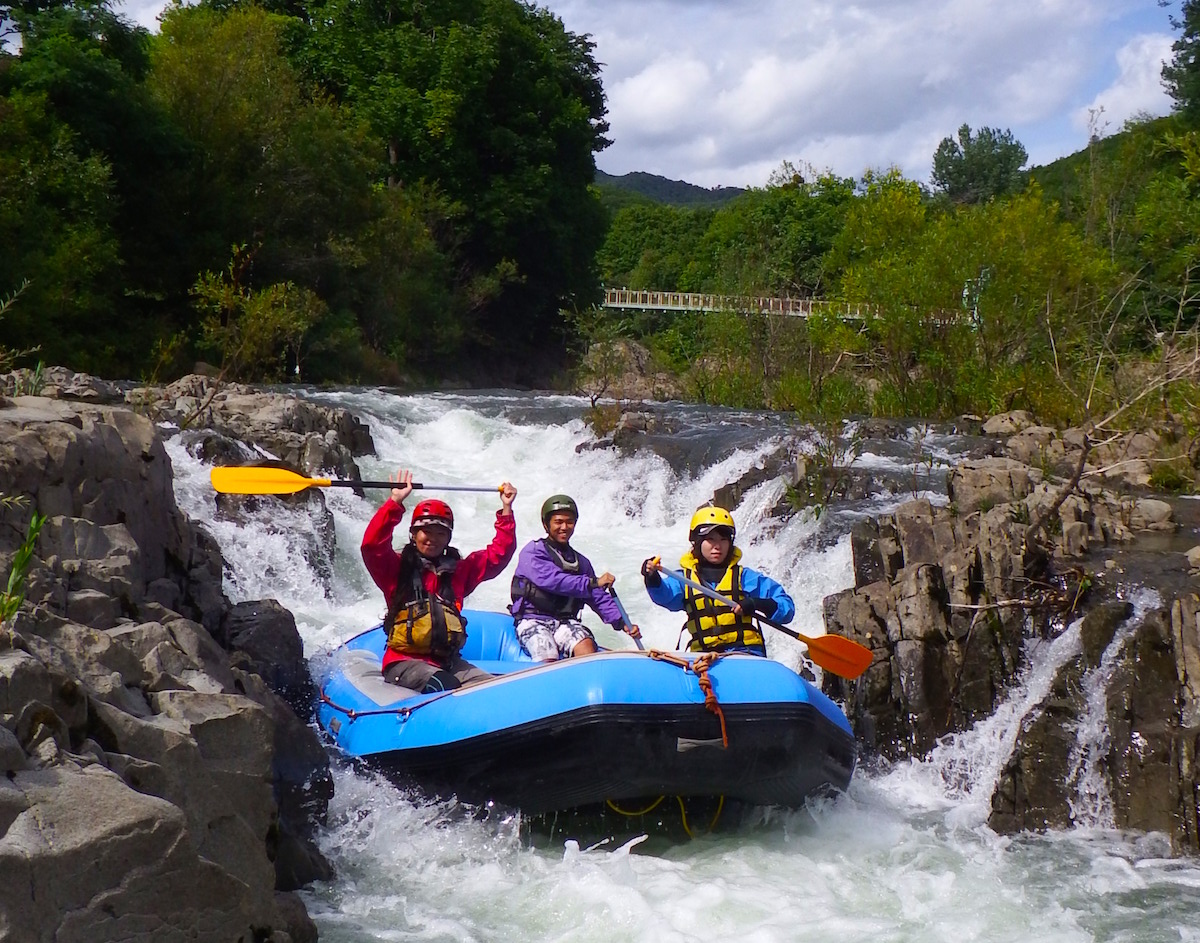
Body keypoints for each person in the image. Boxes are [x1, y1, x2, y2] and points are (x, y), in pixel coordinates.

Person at [361, 469, 517, 692]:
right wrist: (395, 502)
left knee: (492, 691)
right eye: (426, 532)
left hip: (448, 661)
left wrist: (506, 510)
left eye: (440, 534)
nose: (433, 539)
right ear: (414, 535)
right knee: (444, 685)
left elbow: (499, 555)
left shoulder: (459, 571)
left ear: (448, 539)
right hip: (404, 662)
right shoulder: (395, 568)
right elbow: (371, 545)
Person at [641, 506, 794, 656]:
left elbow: (786, 608)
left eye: (723, 539)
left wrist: (757, 604)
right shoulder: (683, 580)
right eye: (710, 539)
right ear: (697, 542)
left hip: (745, 654)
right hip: (704, 658)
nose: (717, 546)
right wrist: (652, 577)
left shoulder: (745, 577)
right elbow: (665, 595)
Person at [509, 494, 641, 661]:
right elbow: (554, 581)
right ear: (546, 524)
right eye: (558, 522)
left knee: (586, 646)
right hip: (533, 619)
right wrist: (593, 582)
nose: (564, 527)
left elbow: (597, 597)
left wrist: (622, 622)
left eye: (569, 522)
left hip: (565, 622)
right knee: (548, 655)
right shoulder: (533, 552)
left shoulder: (581, 562)